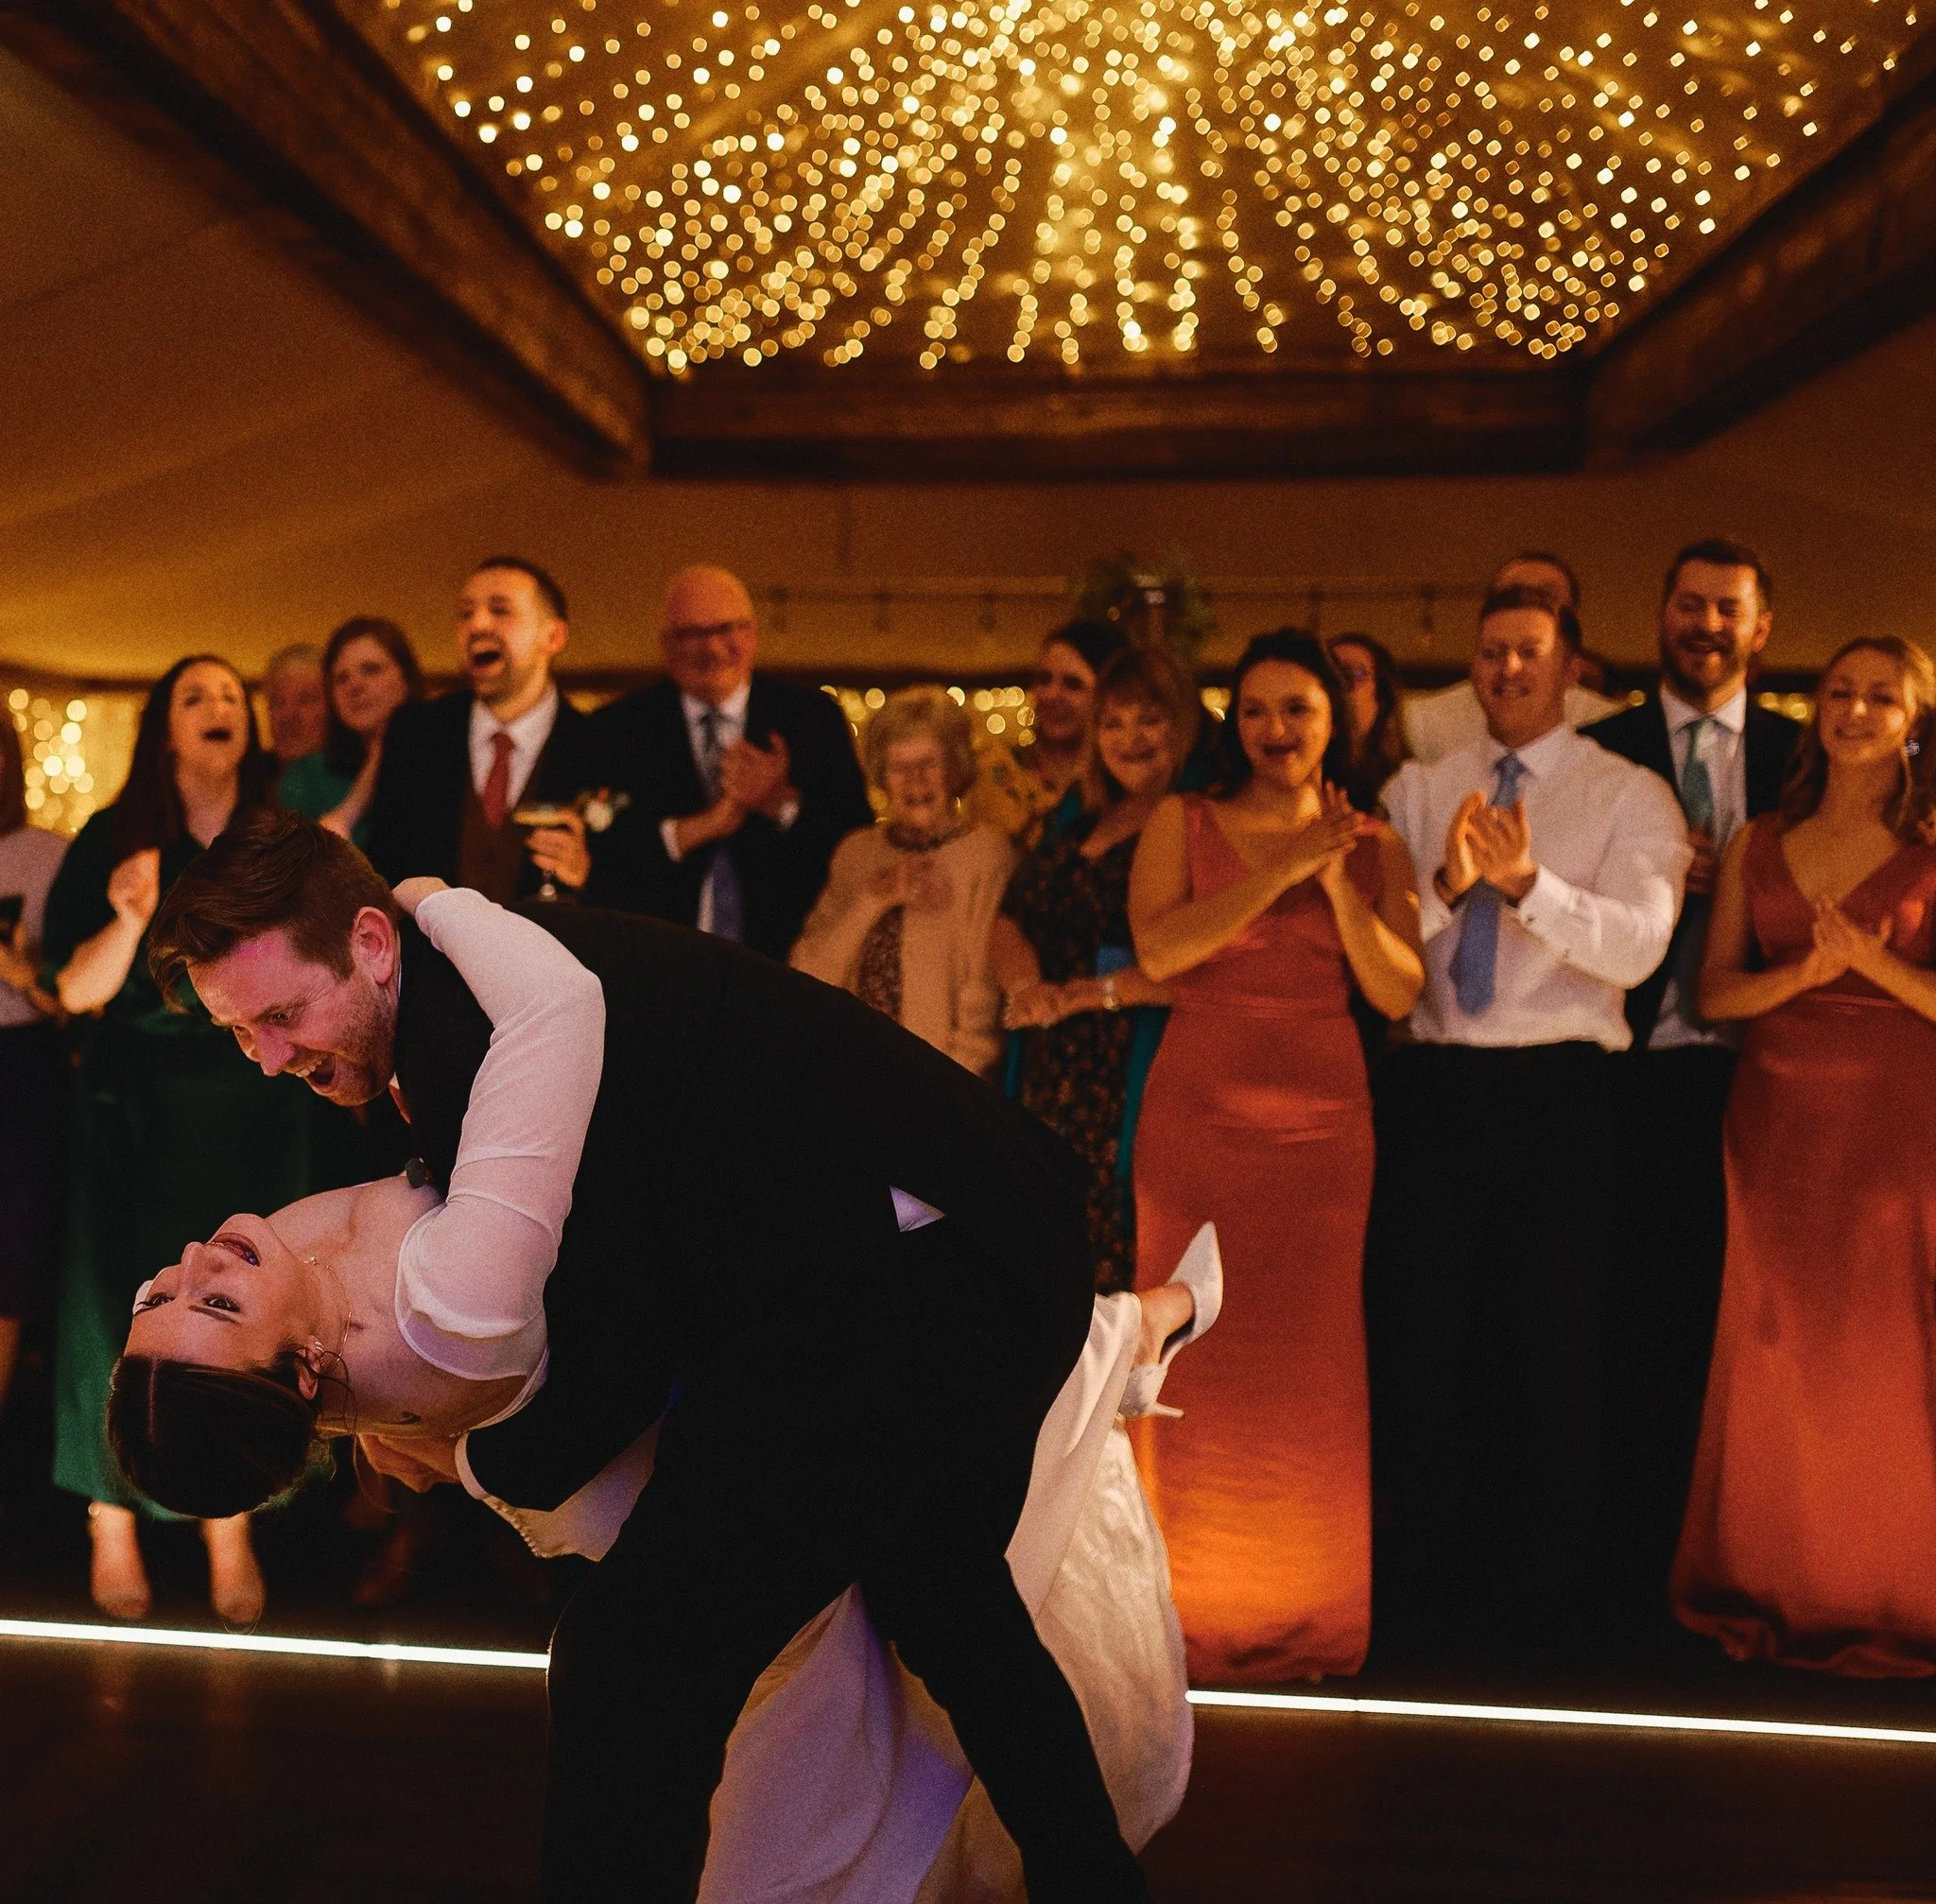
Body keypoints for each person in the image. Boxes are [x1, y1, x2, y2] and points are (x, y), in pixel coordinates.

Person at [143, 812, 1167, 1902]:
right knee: (943, 1598)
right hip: (981, 1236)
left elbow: (614, 1354)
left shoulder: (472, 1037)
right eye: (240, 1032)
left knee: (626, 1663)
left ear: (372, 944)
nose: (266, 1058)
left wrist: (463, 1464)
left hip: (924, 1276)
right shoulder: (459, 974)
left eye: (282, 1015)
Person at [1371, 588, 1690, 1667]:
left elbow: (1638, 946)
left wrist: (1526, 885)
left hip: (1560, 1093)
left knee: (1552, 1351)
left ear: (1571, 671)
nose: (1506, 669)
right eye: (1491, 650)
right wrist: (1447, 881)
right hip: (1431, 1090)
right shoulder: (1415, 789)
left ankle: (1542, 1615)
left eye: (1528, 653)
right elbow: (1373, 946)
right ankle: (1427, 1602)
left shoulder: (1625, 791)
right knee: (1423, 1345)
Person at [1126, 631, 1425, 1683]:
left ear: (1332, 718)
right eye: (1253, 709)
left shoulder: (1372, 839)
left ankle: (1306, 1602)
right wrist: (1281, 870)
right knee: (1186, 1348)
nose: (1273, 730)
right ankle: (1177, 1600)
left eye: (1295, 708)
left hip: (1321, 1128)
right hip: (1197, 1115)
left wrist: (1336, 881)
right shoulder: (1183, 818)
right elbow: (1159, 949)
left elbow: (1396, 990)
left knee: (1306, 1361)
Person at [1671, 635, 1936, 1676]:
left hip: (1893, 1119)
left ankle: (1891, 1584)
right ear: (1814, 707)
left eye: (1881, 697)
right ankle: (1772, 1576)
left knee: (1882, 1345)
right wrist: (1801, 977)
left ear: (1912, 720)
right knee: (1772, 1343)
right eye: (1839, 692)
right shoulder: (1757, 840)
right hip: (1775, 1112)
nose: (1856, 711)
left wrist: (1868, 959)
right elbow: (1715, 994)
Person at [39, 657, 310, 1625]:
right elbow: (72, 990)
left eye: (230, 699)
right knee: (113, 1296)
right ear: (165, 729)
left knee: (247, 1297)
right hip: (135, 1104)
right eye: (196, 697)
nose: (218, 710)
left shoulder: (282, 837)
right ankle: (110, 1516)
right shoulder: (114, 837)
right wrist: (124, 917)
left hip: (252, 1097)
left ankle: (230, 1518)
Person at [1583, 539, 1802, 1642]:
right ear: (1657, 615)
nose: (1703, 624)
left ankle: (1742, 1550)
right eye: (1686, 604)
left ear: (1760, 628)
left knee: (1745, 1327)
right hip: (1626, 1071)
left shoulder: (1806, 758)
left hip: (1767, 1075)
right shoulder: (1595, 749)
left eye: (1726, 608)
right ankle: (1627, 1567)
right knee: (1629, 1319)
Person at [993, 644, 1198, 1294]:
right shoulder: (1078, 814)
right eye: (1112, 722)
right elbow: (1011, 917)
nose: (1128, 738)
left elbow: (1210, 963)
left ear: (1183, 724)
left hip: (1133, 1062)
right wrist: (1025, 986)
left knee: (1116, 1270)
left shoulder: (1203, 822)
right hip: (1050, 1060)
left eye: (1149, 720)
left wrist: (1092, 995)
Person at [590, 566, 874, 959]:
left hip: (787, 962)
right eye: (692, 634)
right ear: (666, 644)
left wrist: (780, 802)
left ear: (753, 634)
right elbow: (602, 851)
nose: (712, 647)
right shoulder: (618, 727)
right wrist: (696, 829)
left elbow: (855, 840)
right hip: (658, 961)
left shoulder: (811, 717)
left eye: (726, 629)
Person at [790, 686, 1012, 1077]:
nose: (915, 781)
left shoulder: (987, 855)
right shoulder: (857, 853)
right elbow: (807, 979)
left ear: (955, 767)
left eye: (928, 763)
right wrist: (871, 901)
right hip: (849, 1075)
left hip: (940, 1086)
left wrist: (949, 1090)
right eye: (898, 767)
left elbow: (982, 1004)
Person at [364, 559, 604, 906]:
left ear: (553, 636)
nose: (477, 625)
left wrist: (586, 874)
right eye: (465, 613)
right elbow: (384, 867)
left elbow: (640, 896)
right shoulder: (414, 733)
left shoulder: (604, 748)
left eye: (500, 610)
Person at [0, 716, 68, 1436]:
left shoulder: (48, 856)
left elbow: (76, 1000)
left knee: (10, 1263)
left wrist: (25, 974)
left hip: (22, 1068)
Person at [1404, 553, 1623, 765]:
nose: (1527, 608)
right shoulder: (1426, 721)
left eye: (1546, 596)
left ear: (1574, 616)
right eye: (1512, 596)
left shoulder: (1609, 720)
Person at [967, 620, 1130, 850]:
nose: (1052, 695)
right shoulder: (998, 771)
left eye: (1073, 684)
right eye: (1044, 680)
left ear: (1108, 696)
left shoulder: (1122, 783)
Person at [278, 617, 424, 852]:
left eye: (371, 670)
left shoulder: (441, 755)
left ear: (406, 679)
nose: (354, 686)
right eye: (341, 678)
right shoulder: (306, 774)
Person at [1329, 632, 1412, 815]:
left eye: (1353, 673)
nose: (1339, 685)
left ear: (1381, 698)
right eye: (1330, 674)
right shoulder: (1305, 777)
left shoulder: (1408, 785)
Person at [262, 644, 327, 773]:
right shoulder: (249, 782)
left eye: (305, 700)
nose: (288, 715)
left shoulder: (364, 780)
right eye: (278, 702)